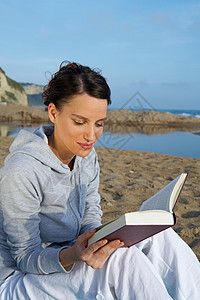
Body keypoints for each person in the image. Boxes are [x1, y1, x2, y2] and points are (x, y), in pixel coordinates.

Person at [0, 61, 200, 300]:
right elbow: (25, 257)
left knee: (160, 237)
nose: (91, 135)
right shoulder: (22, 170)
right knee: (123, 262)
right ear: (54, 113)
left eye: (99, 124)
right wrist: (74, 254)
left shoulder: (86, 156)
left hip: (69, 254)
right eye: (79, 122)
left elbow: (90, 212)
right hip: (18, 279)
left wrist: (94, 241)